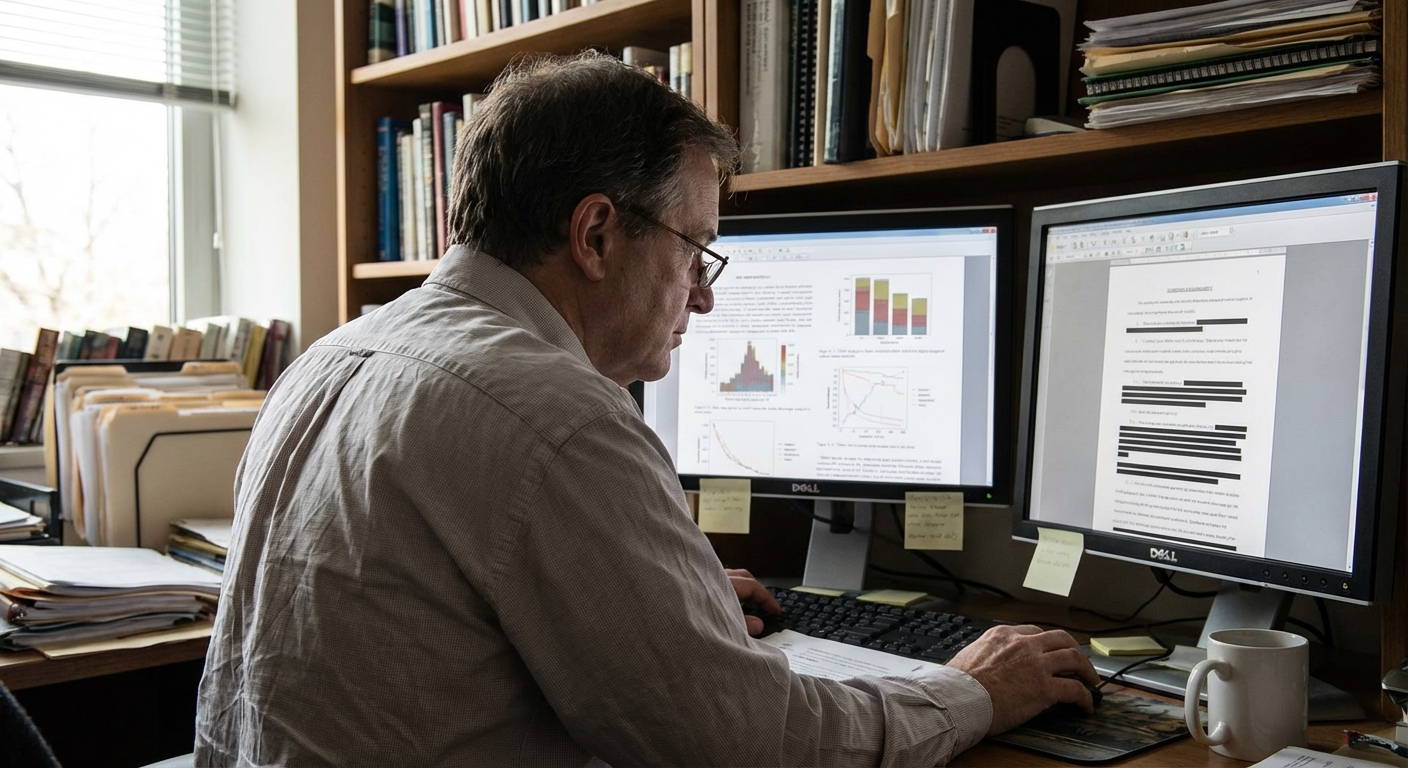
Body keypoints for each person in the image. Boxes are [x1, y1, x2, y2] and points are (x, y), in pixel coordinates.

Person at [195, 50, 1100, 766]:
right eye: (696, 247)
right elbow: (749, 744)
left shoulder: (332, 357)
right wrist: (977, 690)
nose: (703, 298)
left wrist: (668, 603)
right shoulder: (557, 416)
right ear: (595, 234)